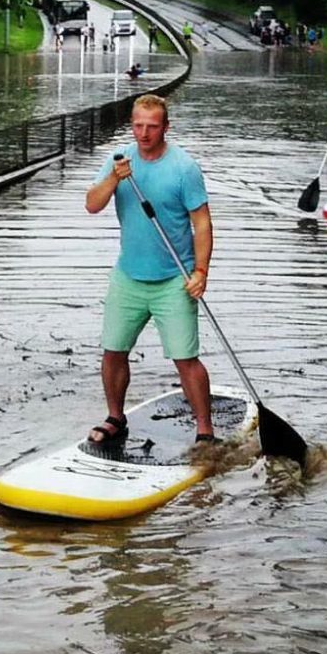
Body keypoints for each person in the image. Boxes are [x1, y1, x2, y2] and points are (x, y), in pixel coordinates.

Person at [85, 94, 215, 446]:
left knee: (185, 358)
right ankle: (115, 417)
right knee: (113, 350)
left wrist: (200, 271)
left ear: (165, 128)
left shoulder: (184, 168)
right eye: (138, 125)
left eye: (152, 127)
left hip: (175, 277)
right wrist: (114, 179)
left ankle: (205, 431)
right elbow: (92, 205)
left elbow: (201, 224)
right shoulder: (119, 161)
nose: (143, 133)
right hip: (129, 275)